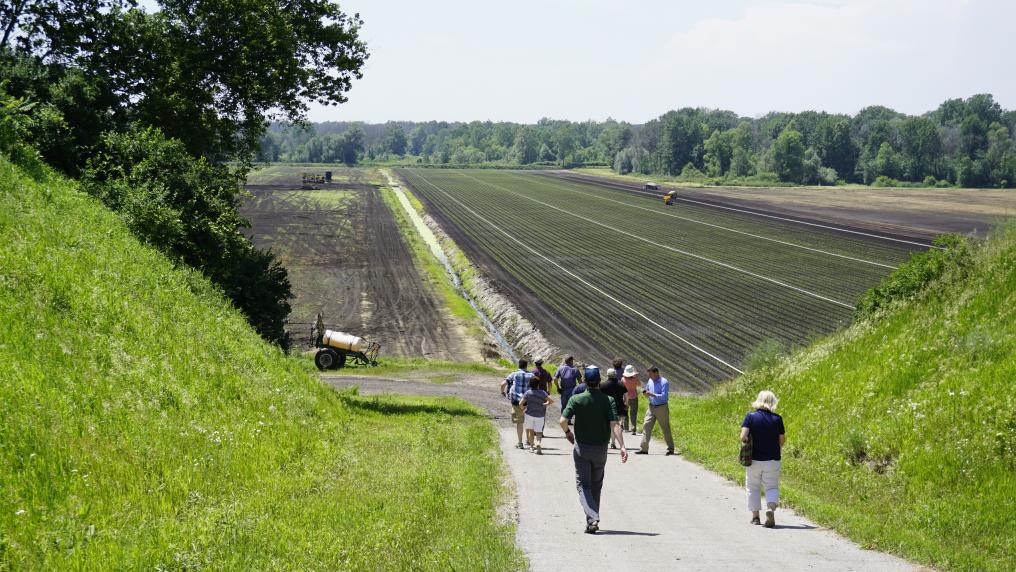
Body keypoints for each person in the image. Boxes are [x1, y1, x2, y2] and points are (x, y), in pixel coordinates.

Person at [559, 365, 627, 534]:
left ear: (584, 381)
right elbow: (615, 424)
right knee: (596, 485)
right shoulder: (608, 400)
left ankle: (592, 516)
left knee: (583, 484)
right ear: (599, 381)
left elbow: (562, 420)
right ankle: (592, 521)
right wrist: (622, 446)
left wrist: (568, 433)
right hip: (601, 450)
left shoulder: (576, 399)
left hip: (582, 448)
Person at [741, 390, 785, 528]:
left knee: (753, 487)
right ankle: (770, 509)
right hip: (772, 460)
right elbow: (782, 441)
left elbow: (743, 436)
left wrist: (749, 440)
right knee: (771, 486)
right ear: (773, 402)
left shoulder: (751, 416)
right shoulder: (777, 419)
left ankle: (755, 517)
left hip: (754, 460)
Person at [636, 366, 675, 455]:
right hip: (651, 407)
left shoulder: (664, 382)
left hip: (661, 407)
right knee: (646, 426)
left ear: (656, 373)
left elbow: (664, 396)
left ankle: (671, 448)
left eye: (651, 374)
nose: (649, 376)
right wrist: (645, 393)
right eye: (649, 374)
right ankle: (644, 449)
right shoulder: (650, 380)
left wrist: (652, 394)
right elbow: (647, 390)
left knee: (665, 428)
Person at [501, 359, 535, 450]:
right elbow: (535, 388)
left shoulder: (514, 374)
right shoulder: (531, 375)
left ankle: (520, 443)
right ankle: (529, 440)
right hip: (528, 401)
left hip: (516, 401)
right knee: (528, 420)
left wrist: (502, 392)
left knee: (519, 422)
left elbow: (503, 384)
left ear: (519, 365)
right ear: (526, 365)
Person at [520, 384, 553, 454]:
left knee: (531, 431)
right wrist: (545, 404)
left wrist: (524, 408)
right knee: (539, 432)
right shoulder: (542, 392)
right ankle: (538, 443)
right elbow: (551, 401)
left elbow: (520, 403)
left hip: (529, 414)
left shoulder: (528, 393)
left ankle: (531, 447)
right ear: (538, 385)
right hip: (540, 415)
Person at [600, 367, 628, 449]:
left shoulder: (603, 385)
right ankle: (613, 442)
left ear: (607, 375)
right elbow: (626, 395)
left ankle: (608, 441)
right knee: (615, 425)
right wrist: (626, 403)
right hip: (619, 406)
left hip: (606, 406)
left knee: (608, 425)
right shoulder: (621, 384)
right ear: (615, 375)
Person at [621, 365, 640, 435]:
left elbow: (621, 387)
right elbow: (639, 384)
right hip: (634, 397)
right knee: (633, 413)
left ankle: (626, 428)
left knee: (626, 412)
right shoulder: (635, 379)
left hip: (625, 397)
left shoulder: (623, 379)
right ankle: (633, 428)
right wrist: (636, 376)